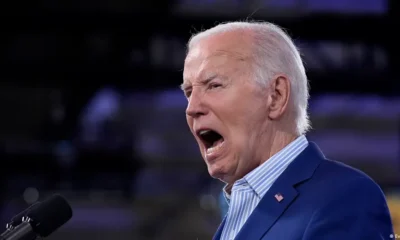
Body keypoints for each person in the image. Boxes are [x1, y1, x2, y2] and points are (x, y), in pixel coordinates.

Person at [181, 21, 393, 240]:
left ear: (276, 96)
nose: (192, 108)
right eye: (188, 92)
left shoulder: (346, 197)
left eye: (214, 85)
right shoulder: (234, 216)